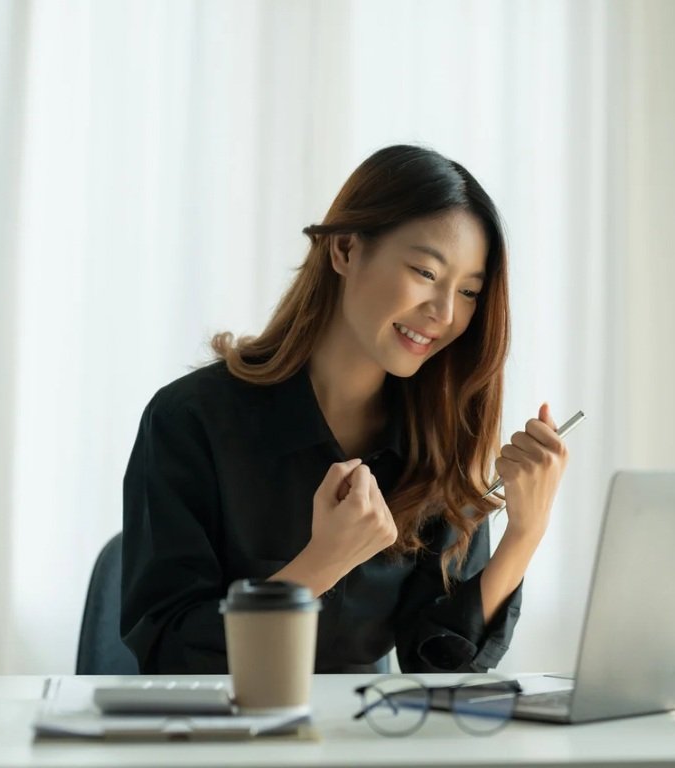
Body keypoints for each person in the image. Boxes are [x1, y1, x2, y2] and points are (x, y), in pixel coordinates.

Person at [120, 145, 569, 674]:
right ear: (345, 250)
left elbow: (440, 666)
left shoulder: (440, 440)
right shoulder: (191, 419)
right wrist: (320, 565)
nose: (444, 313)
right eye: (425, 272)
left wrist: (525, 534)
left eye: (469, 291)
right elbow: (169, 650)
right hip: (217, 743)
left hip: (360, 744)